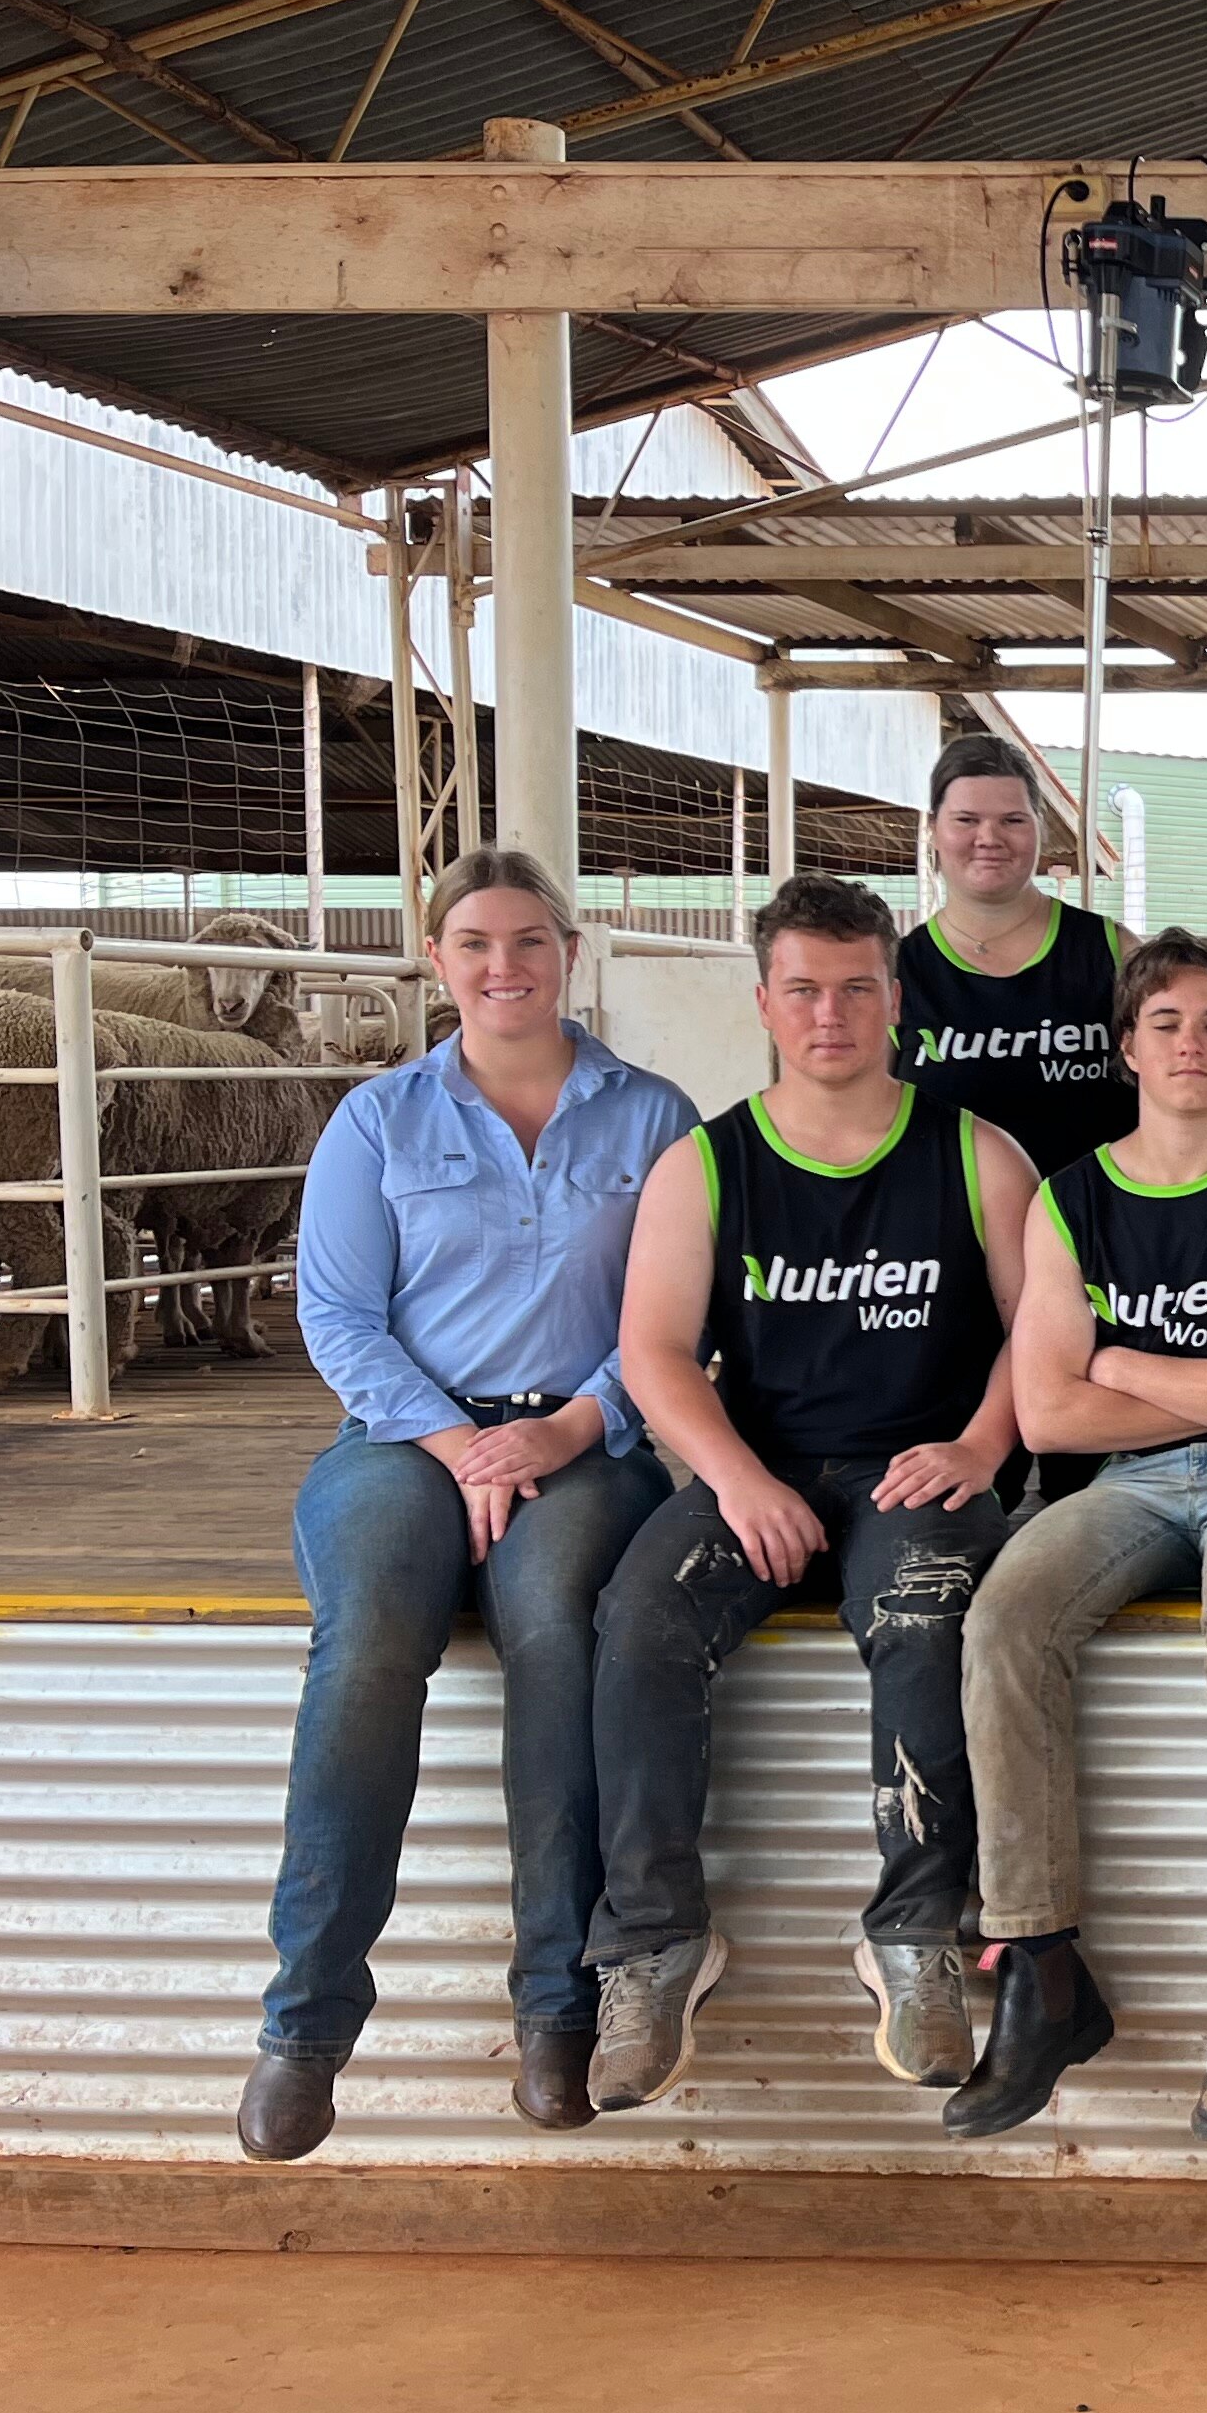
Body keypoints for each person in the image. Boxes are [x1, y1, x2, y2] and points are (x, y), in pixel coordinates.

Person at [238, 850, 699, 2164]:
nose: (507, 966)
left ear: (570, 951)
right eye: (477, 943)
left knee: (558, 1627)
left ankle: (556, 2007)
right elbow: (334, 1312)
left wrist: (565, 1428)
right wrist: (458, 1446)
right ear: (436, 959)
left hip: (586, 1437)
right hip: (403, 1438)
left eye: (531, 941)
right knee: (373, 1633)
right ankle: (307, 2020)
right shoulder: (377, 1120)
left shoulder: (654, 1118)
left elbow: (676, 1315)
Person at [588, 874, 1038, 2117]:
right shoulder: (707, 1164)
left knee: (927, 1617)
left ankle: (914, 1939)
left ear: (895, 998)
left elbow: (1037, 1332)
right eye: (803, 989)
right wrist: (733, 1478)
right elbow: (656, 1353)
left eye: (855, 988)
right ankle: (654, 1946)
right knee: (638, 1621)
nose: (829, 1012)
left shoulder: (974, 1154)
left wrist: (983, 1445)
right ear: (765, 1002)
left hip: (919, 1468)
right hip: (765, 1469)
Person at [950, 930, 1207, 2141]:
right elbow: (1046, 1409)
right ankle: (1037, 1966)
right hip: (1123, 1482)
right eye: (1166, 1021)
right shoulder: (1069, 1200)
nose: (1190, 1042)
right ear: (1126, 1045)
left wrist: (1119, 1355)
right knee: (1006, 1617)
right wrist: (1193, 1379)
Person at [893, 731, 1139, 1177]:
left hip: (1094, 1229)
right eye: (966, 820)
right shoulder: (895, 971)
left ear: (1040, 827)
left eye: (1012, 820)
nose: (989, 838)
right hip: (954, 1236)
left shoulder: (1113, 952)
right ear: (933, 830)